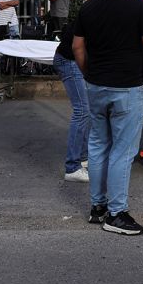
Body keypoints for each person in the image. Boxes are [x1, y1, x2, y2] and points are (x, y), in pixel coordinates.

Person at [73, 0, 143, 237]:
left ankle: (97, 207)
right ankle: (116, 213)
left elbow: (77, 46)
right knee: (122, 151)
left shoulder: (89, 7)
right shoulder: (138, 6)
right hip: (127, 88)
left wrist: (88, 73)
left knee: (98, 145)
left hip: (97, 85)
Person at [53, 18, 90, 183]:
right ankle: (73, 167)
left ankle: (83, 158)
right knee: (82, 110)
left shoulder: (101, 9)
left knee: (87, 110)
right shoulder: (100, 11)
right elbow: (77, 47)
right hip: (69, 60)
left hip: (72, 58)